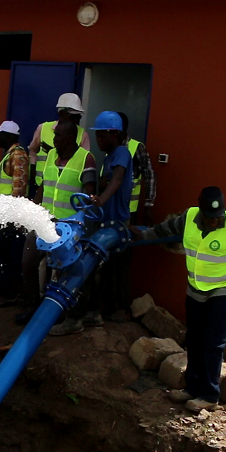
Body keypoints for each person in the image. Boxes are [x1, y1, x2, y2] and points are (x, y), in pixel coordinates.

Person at [136, 186, 226, 412]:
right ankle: (192, 388)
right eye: (210, 218)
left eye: (218, 217)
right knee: (193, 338)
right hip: (197, 290)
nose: (215, 222)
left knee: (212, 343)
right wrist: (143, 234)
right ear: (201, 212)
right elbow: (164, 230)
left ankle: (209, 395)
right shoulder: (189, 218)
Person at [16, 120, 97, 325]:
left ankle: (60, 314)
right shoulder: (51, 155)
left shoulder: (86, 159)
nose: (54, 139)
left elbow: (89, 195)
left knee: (62, 271)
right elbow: (44, 186)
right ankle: (32, 306)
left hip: (68, 227)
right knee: (28, 262)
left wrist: (82, 223)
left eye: (58, 136)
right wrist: (32, 211)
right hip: (44, 220)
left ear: (70, 138)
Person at [87, 111, 133, 322]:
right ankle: (104, 310)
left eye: (102, 136)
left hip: (119, 224)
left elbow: (116, 179)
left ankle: (122, 309)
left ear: (115, 134)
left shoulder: (122, 152)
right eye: (97, 136)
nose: (99, 141)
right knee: (103, 271)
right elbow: (107, 181)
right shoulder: (107, 158)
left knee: (118, 269)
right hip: (106, 222)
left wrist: (101, 199)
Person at [0, 121, 30, 307]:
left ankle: (7, 292)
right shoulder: (10, 155)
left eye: (0, 134)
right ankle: (3, 289)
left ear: (9, 136)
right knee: (0, 252)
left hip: (9, 217)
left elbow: (18, 187)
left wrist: (12, 217)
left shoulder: (18, 155)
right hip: (2, 215)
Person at [29, 93, 90, 194]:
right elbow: (32, 150)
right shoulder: (43, 128)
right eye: (73, 116)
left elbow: (85, 164)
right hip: (42, 187)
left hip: (66, 191)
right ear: (61, 113)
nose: (76, 120)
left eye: (78, 117)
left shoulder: (83, 135)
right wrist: (33, 172)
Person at [116, 112, 156, 225]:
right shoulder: (111, 148)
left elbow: (150, 177)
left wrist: (148, 207)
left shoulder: (137, 147)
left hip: (128, 210)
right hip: (109, 208)